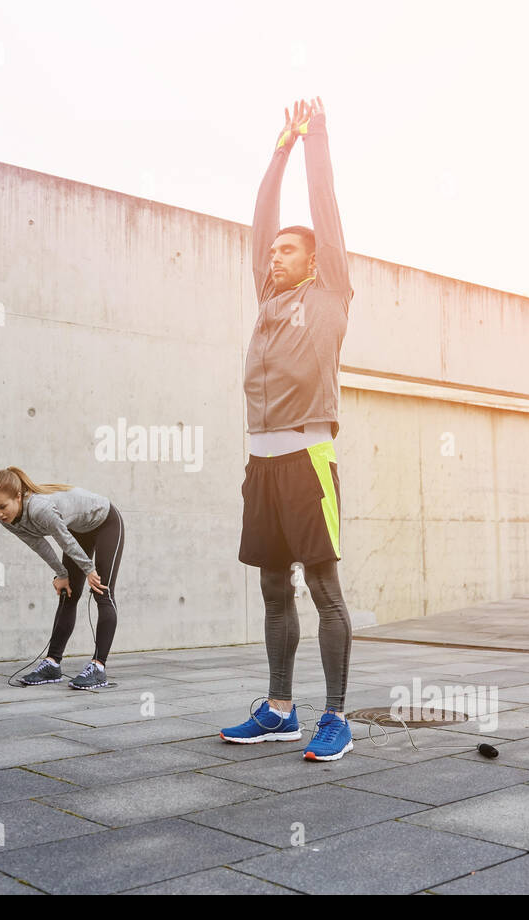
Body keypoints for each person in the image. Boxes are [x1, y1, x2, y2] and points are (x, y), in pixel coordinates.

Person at [220, 97, 357, 761]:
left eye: (287, 251)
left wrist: (312, 139)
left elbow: (323, 207)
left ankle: (337, 716)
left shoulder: (329, 292)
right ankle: (279, 709)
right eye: (272, 252)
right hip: (261, 461)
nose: (274, 256)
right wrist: (275, 150)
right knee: (274, 587)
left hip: (307, 455)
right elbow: (258, 220)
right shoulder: (267, 296)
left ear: (312, 260)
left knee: (324, 589)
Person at [0, 466, 124, 689]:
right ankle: (52, 663)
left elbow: (64, 541)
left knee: (102, 592)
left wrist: (89, 570)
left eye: (2, 506)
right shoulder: (7, 519)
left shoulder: (40, 509)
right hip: (77, 531)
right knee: (68, 594)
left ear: (18, 496)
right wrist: (61, 574)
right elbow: (39, 544)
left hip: (105, 521)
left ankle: (98, 667)